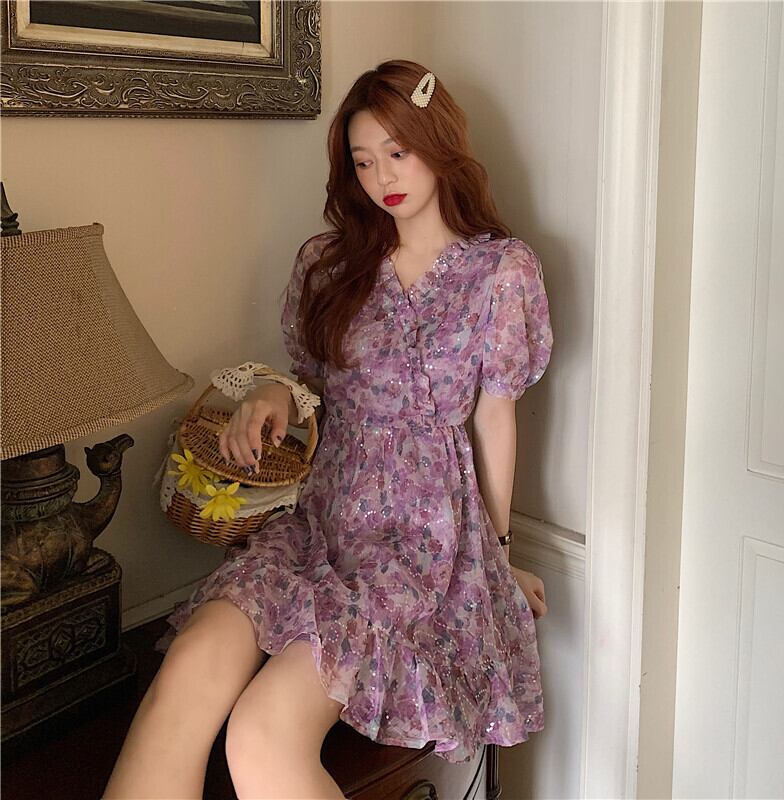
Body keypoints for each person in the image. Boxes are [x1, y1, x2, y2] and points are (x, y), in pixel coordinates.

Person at [104, 59, 552, 800]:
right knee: (185, 670)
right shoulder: (330, 262)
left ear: (439, 141)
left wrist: (497, 558)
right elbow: (312, 382)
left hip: (418, 545)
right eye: (363, 160)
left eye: (398, 152)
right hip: (320, 521)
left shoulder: (500, 271)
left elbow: (494, 418)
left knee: (260, 733)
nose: (382, 177)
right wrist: (271, 395)